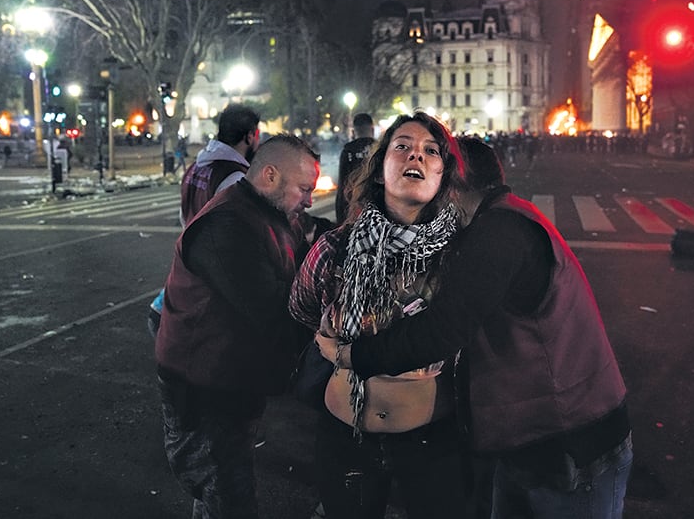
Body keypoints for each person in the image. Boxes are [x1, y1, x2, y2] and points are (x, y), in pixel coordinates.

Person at [317, 136, 632, 519]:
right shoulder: (500, 221)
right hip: (531, 437)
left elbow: (442, 330)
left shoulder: (500, 234)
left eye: (433, 168)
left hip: (567, 441)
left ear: (453, 183)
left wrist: (352, 354)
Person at [288, 112, 468, 519]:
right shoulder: (336, 247)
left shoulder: (461, 254)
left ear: (444, 171)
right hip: (345, 435)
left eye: (430, 150)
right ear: (380, 167)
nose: (415, 157)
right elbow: (301, 308)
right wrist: (328, 337)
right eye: (401, 146)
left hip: (431, 440)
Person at [155, 133, 321, 519]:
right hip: (203, 390)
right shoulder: (226, 227)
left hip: (230, 381)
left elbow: (307, 241)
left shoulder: (266, 212)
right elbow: (276, 311)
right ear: (269, 175)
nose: (309, 200)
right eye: (304, 189)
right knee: (228, 494)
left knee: (220, 492)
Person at [147, 104, 262, 338]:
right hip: (210, 289)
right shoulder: (235, 178)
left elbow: (184, 216)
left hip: (185, 273)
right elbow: (237, 241)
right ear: (249, 136)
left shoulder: (196, 167)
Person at [335, 112, 376, 223]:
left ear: (354, 131)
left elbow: (342, 184)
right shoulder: (380, 149)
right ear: (372, 129)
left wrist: (340, 219)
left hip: (354, 210)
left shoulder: (348, 151)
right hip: (379, 208)